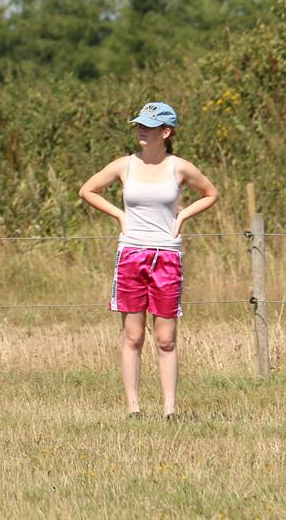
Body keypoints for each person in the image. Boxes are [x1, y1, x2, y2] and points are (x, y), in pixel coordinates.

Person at [78, 101, 218, 420]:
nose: (141, 129)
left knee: (166, 338)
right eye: (139, 124)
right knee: (133, 335)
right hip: (131, 253)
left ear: (166, 132)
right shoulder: (125, 165)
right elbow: (88, 190)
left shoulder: (179, 167)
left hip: (166, 255)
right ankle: (134, 409)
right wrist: (119, 216)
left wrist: (182, 215)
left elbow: (210, 193)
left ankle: (170, 410)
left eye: (149, 126)